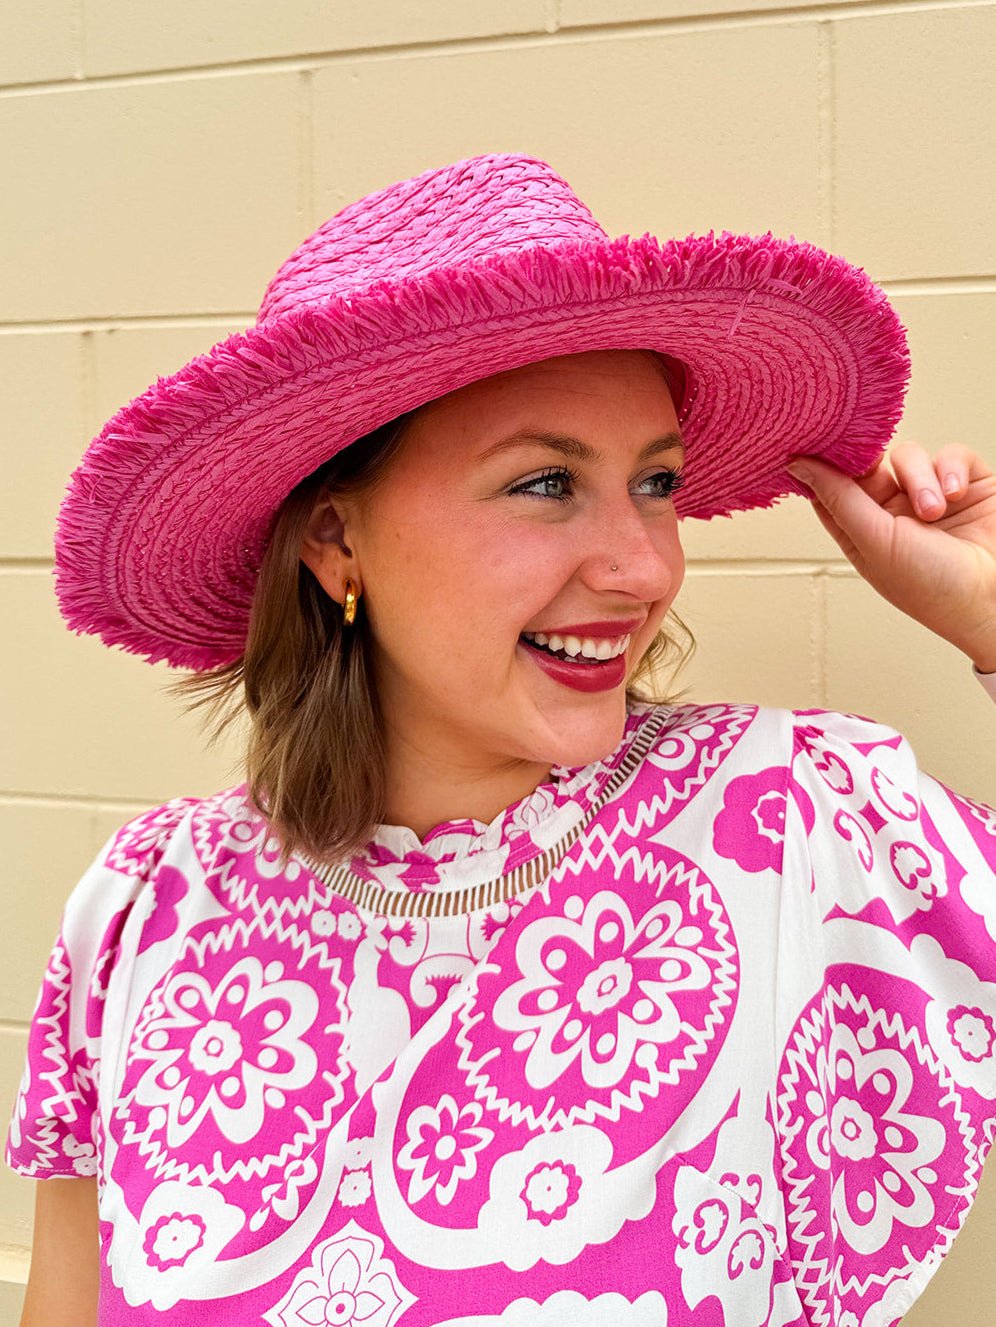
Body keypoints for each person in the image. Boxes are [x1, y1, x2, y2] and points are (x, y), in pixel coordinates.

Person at [7, 154, 996, 1327]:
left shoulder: (802, 822)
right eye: (544, 484)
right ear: (336, 537)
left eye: (657, 480)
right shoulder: (145, 911)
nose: (643, 567)